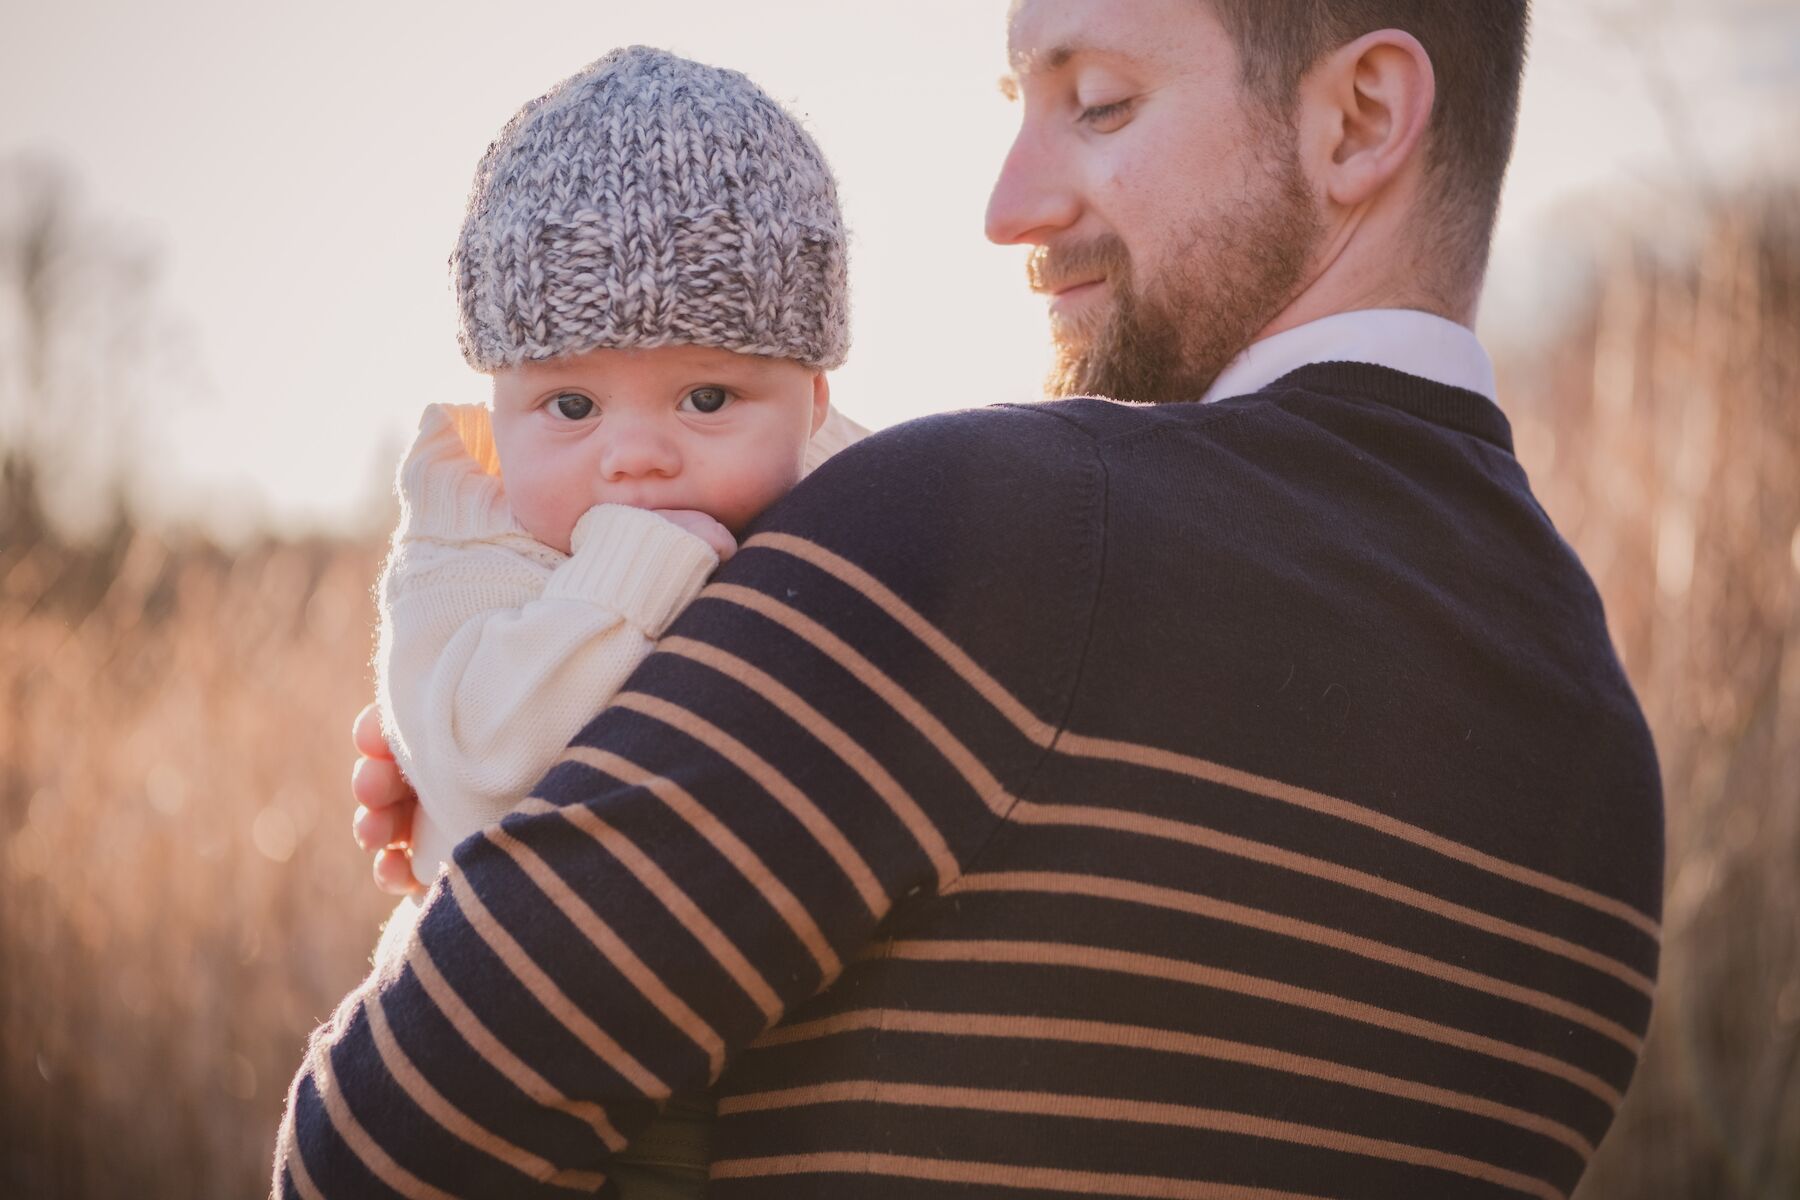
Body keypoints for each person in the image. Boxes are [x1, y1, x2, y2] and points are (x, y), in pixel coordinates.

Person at [288, 2, 1664, 1197]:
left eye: (1099, 103)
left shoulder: (984, 532)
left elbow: (380, 1149)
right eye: (1021, 108)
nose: (1008, 205)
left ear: (1361, 117)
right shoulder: (1606, 764)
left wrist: (481, 849)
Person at [364, 46, 866, 1198]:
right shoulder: (465, 544)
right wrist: (642, 564)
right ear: (497, 396)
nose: (634, 455)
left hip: (764, 1057)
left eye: (706, 397)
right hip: (519, 1057)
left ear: (815, 398)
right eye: (572, 404)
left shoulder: (846, 510)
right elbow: (487, 767)